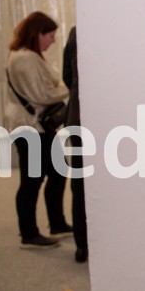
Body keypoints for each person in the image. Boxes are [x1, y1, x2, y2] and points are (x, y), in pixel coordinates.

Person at [4, 11, 70, 249]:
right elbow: (43, 94)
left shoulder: (30, 55)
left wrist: (59, 85)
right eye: (50, 35)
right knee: (32, 180)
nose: (52, 40)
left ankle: (58, 223)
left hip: (39, 126)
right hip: (29, 127)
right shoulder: (25, 59)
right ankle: (29, 234)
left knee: (58, 170)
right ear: (37, 33)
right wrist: (66, 87)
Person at [62, 26, 88, 263]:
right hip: (111, 121)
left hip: (78, 117)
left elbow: (67, 77)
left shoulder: (76, 32)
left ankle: (83, 244)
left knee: (80, 182)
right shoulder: (118, 27)